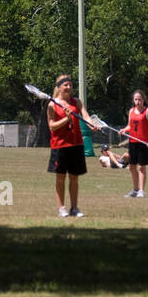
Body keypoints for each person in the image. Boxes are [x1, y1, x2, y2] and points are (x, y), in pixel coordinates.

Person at [47, 74, 103, 218]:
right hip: (59, 146)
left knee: (74, 178)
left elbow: (85, 116)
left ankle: (74, 208)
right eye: (65, 85)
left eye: (70, 85)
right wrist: (67, 118)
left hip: (76, 144)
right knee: (60, 178)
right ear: (59, 87)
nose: (69, 87)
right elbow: (52, 127)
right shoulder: (52, 105)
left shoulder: (76, 102)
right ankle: (61, 209)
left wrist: (92, 125)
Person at [122, 89, 148, 197]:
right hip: (133, 141)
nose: (137, 102)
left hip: (144, 143)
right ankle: (135, 190)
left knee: (142, 167)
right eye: (135, 99)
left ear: (143, 100)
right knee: (132, 166)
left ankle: (142, 191)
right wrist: (124, 130)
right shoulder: (131, 111)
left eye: (139, 99)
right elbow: (130, 126)